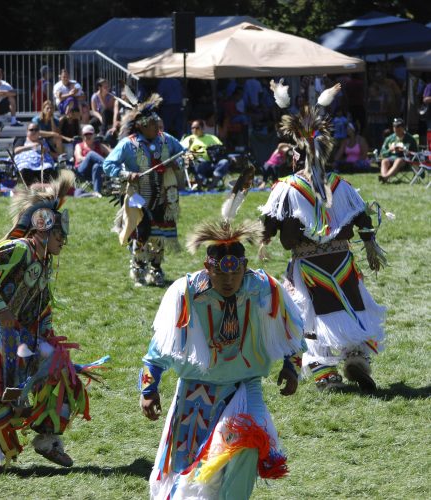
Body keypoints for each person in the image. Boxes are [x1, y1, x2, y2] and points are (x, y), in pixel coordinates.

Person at [0, 171, 108, 471]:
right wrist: (0, 310)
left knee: (62, 371)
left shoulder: (42, 261)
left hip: (20, 340)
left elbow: (40, 305)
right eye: (58, 232)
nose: (63, 239)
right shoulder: (21, 249)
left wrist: (46, 334)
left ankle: (47, 439)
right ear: (43, 226)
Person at [140, 218, 305, 499]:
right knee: (190, 471)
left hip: (244, 385)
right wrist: (148, 387)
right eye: (221, 274)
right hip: (196, 391)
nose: (229, 281)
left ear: (244, 267)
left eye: (235, 273)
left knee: (247, 445)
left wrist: (292, 367)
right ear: (208, 268)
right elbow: (159, 348)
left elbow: (290, 329)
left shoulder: (263, 289)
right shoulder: (186, 293)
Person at [259, 80, 387, 392]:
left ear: (296, 153)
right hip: (341, 260)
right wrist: (370, 243)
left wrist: (263, 238)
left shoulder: (286, 188)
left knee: (314, 313)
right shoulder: (339, 185)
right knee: (346, 307)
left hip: (309, 264)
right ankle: (352, 359)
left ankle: (326, 370)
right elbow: (362, 216)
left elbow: (270, 222)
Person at [102, 92, 185, 287]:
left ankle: (156, 269)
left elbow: (181, 154)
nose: (158, 127)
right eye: (153, 124)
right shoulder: (128, 144)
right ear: (142, 126)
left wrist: (176, 163)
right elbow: (108, 165)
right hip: (138, 195)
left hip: (163, 196)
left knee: (159, 234)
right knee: (142, 231)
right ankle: (138, 268)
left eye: (158, 123)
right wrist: (126, 175)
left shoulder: (166, 140)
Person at [181, 119, 230, 190]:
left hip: (213, 164)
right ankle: (201, 186)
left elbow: (221, 150)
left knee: (224, 162)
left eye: (197, 128)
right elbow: (180, 151)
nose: (194, 130)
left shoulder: (212, 138)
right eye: (192, 128)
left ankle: (212, 185)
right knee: (201, 162)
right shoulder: (188, 139)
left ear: (203, 128)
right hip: (197, 165)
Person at [74, 124, 110, 196]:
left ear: (94, 135)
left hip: (94, 171)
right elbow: (78, 158)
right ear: (82, 136)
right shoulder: (79, 145)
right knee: (91, 154)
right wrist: (90, 158)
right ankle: (109, 167)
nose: (88, 136)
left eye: (90, 134)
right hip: (82, 170)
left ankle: (97, 193)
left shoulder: (99, 145)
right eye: (85, 134)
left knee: (96, 166)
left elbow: (112, 153)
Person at [379, 118, 418, 183]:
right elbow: (382, 153)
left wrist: (406, 152)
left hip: (405, 161)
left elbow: (416, 154)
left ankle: (385, 178)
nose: (397, 132)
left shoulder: (411, 139)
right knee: (384, 161)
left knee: (398, 160)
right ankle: (384, 177)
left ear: (403, 128)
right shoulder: (389, 139)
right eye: (395, 130)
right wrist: (389, 150)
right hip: (391, 159)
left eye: (399, 130)